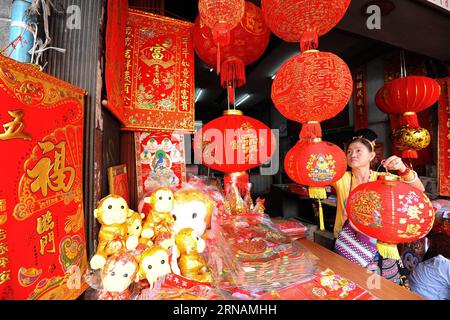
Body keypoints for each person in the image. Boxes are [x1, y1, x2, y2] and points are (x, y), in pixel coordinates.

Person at [332, 129, 426, 283]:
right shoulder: (342, 179)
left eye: (358, 150)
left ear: (371, 155)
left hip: (379, 246)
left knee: (381, 288)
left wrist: (402, 169)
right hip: (348, 242)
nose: (352, 154)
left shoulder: (383, 178)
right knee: (349, 285)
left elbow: (419, 189)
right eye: (349, 151)